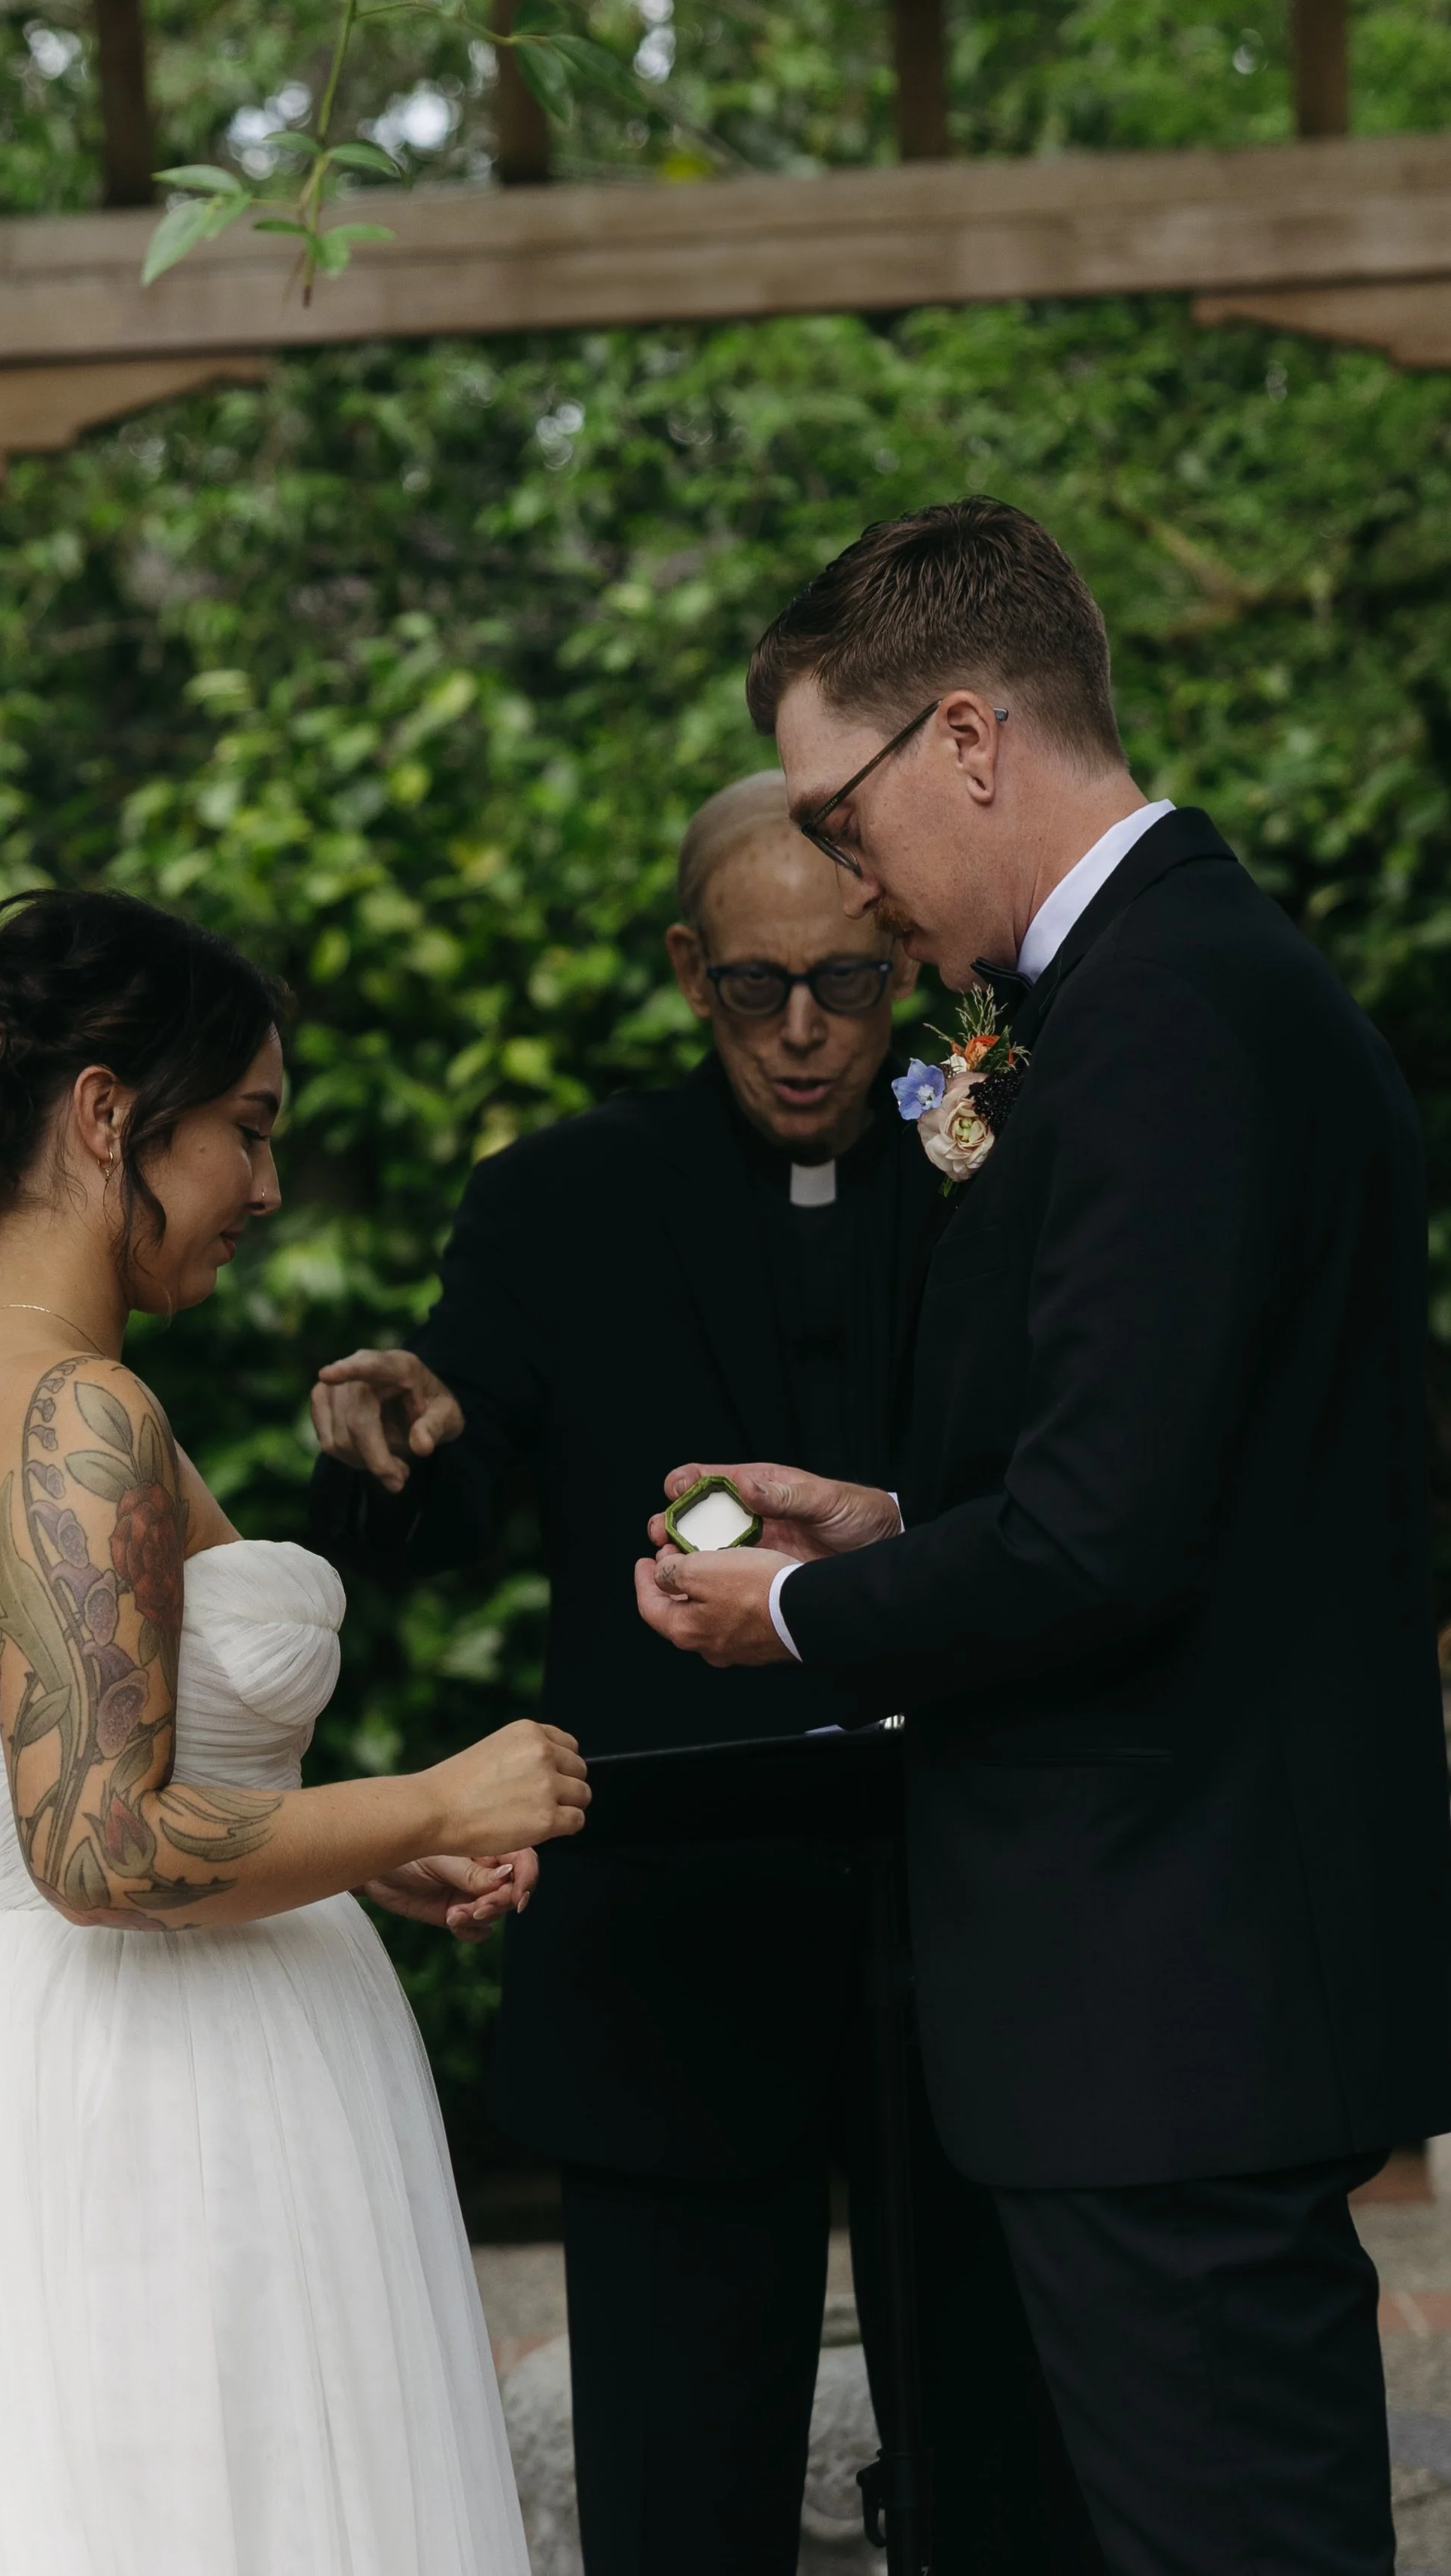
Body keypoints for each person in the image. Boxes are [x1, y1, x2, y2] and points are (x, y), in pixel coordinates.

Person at [637, 498, 1451, 2576]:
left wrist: (803, 1607)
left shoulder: (1172, 1017)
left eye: (843, 811)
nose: (843, 872)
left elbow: (1106, 1541)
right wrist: (904, 1511)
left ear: (970, 739)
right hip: (1160, 1985)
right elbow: (1166, 1464)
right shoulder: (1152, 990)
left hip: (1172, 1990)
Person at [0, 890, 592, 2576]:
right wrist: (430, 1791)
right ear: (105, 1116)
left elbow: (114, 1767)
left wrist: (374, 1857)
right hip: (148, 2111)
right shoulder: (77, 1414)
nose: (268, 1185)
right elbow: (93, 1845)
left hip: (169, 2062)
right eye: (245, 1127)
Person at [310, 780, 1099, 2576]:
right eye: (757, 990)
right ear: (687, 973)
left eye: (847, 981)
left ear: (903, 965)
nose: (807, 1032)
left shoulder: (1006, 1158)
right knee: (674, 2502)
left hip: (968, 1916)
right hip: (670, 1939)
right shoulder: (556, 1202)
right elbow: (448, 1492)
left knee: (1008, 2487)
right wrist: (396, 1442)